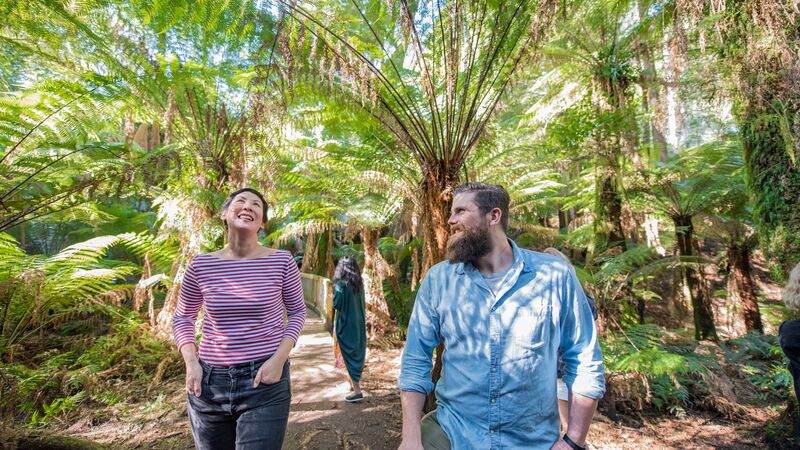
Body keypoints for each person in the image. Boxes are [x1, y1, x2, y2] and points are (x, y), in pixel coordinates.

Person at [398, 182, 605, 450]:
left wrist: (573, 441)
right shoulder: (439, 280)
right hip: (455, 433)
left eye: (460, 211)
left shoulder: (555, 276)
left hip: (531, 441)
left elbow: (585, 358)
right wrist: (411, 438)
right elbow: (415, 361)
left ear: (493, 216)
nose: (450, 221)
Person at [173, 188, 307, 450]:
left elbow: (298, 312)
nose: (248, 206)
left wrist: (278, 360)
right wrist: (191, 362)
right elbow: (183, 318)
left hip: (265, 382)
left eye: (256, 204)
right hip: (209, 384)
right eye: (241, 201)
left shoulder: (281, 261)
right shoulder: (201, 265)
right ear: (224, 213)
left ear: (262, 221)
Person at [542, 247, 599, 435]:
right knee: (567, 428)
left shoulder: (563, 301)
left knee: (568, 429)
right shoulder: (585, 299)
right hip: (565, 372)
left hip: (561, 372)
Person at [332, 256, 367, 402]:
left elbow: (337, 304)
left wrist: (333, 296)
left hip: (345, 324)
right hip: (358, 324)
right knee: (354, 352)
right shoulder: (359, 285)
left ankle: (357, 391)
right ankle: (352, 385)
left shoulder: (341, 285)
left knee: (346, 354)